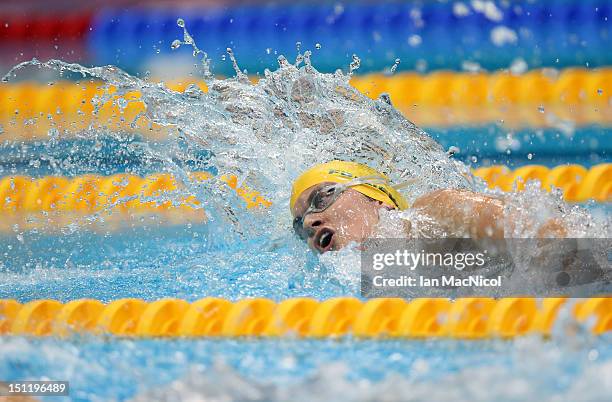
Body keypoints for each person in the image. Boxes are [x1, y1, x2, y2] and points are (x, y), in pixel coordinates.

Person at [290, 160, 566, 253]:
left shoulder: (438, 211)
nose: (307, 223)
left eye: (321, 197)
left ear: (378, 199)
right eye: (298, 225)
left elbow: (551, 241)